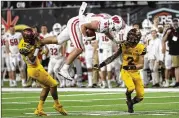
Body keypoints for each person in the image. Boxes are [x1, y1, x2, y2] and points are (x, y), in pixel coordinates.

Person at [93, 28, 145, 113]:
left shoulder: (141, 47)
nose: (130, 41)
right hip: (125, 71)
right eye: (130, 38)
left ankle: (130, 103)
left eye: (133, 39)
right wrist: (101, 65)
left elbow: (141, 65)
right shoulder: (123, 45)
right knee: (131, 87)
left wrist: (131, 67)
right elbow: (113, 57)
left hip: (135, 72)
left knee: (140, 96)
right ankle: (128, 99)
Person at [18, 28, 67, 116]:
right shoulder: (24, 48)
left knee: (46, 87)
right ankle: (57, 105)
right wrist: (37, 48)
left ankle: (39, 109)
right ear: (28, 38)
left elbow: (38, 42)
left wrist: (37, 39)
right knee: (53, 84)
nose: (34, 38)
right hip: (34, 69)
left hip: (37, 67)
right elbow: (32, 60)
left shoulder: (27, 39)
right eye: (32, 37)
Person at [162, 18, 179, 87]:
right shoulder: (169, 30)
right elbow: (163, 40)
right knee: (176, 67)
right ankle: (177, 82)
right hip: (174, 51)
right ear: (172, 22)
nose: (175, 23)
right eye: (174, 22)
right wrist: (167, 34)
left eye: (176, 22)